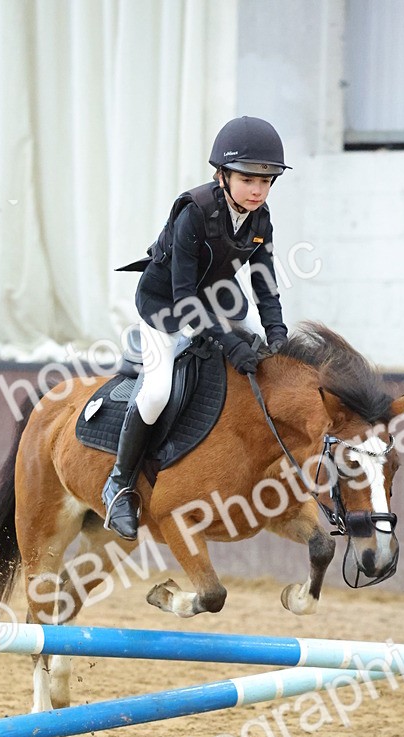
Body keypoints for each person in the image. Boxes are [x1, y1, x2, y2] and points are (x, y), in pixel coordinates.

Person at [103, 115, 292, 540]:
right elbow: (185, 298)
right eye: (247, 179)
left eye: (266, 181)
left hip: (217, 296)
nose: (258, 190)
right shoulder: (194, 212)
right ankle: (119, 484)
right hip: (167, 305)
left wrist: (278, 334)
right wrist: (229, 344)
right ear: (222, 176)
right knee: (157, 392)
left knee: (261, 354)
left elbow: (264, 283)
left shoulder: (260, 219)